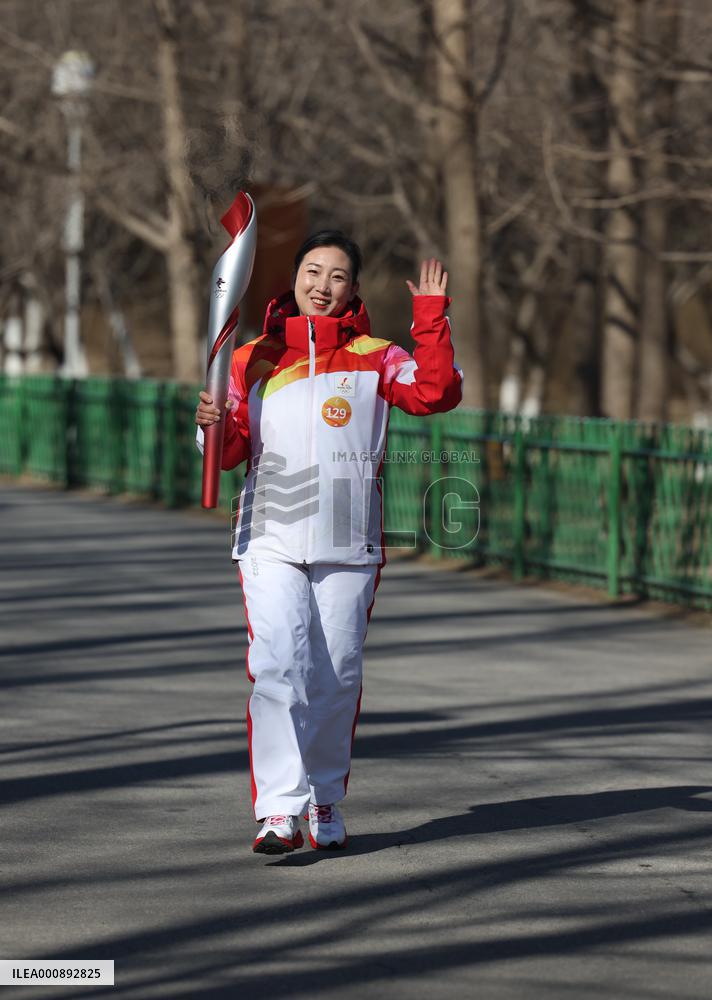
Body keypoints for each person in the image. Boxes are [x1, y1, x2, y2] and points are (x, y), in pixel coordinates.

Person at [195, 231, 462, 855]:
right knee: (278, 666)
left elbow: (435, 393)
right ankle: (279, 812)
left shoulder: (378, 356)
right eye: (312, 272)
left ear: (353, 290)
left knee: (336, 677)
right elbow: (231, 451)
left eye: (337, 276)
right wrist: (212, 427)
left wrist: (430, 319)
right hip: (269, 535)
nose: (322, 285)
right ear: (293, 280)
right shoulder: (251, 358)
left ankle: (323, 798)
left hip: (349, 542)